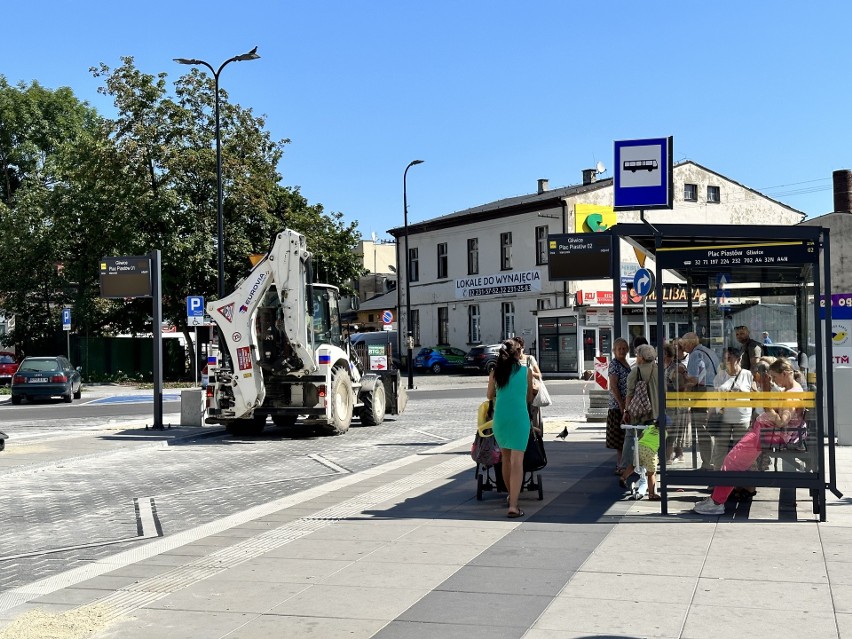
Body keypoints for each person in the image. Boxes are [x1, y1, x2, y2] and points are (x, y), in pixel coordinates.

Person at [693, 358, 804, 515]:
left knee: (732, 461)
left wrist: (768, 408)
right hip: (766, 432)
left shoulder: (790, 395)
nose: (773, 380)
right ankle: (717, 498)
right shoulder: (794, 388)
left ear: (785, 374)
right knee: (733, 460)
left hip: (767, 434)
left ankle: (717, 502)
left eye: (775, 376)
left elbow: (781, 421)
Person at [486, 339, 534, 518]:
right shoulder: (525, 372)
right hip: (519, 419)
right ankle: (513, 505)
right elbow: (529, 397)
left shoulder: (495, 373)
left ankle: (510, 496)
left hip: (500, 419)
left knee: (505, 460)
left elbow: (489, 395)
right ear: (516, 354)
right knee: (517, 462)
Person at [620, 344, 661, 499]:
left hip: (638, 417)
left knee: (633, 443)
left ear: (641, 357)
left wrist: (626, 412)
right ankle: (650, 485)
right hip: (656, 418)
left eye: (637, 355)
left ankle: (626, 472)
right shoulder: (659, 371)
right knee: (651, 450)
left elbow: (629, 395)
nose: (636, 358)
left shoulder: (634, 372)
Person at [709, 347, 754, 472]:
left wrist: (741, 392)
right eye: (725, 358)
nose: (727, 361)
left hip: (742, 417)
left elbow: (754, 394)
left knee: (740, 449)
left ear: (738, 359)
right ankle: (718, 480)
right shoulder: (720, 375)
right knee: (720, 448)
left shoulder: (747, 375)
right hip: (723, 417)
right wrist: (710, 413)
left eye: (730, 358)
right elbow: (715, 395)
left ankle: (738, 481)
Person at [680, 332, 720, 470]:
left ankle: (707, 464)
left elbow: (693, 379)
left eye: (684, 345)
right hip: (714, 392)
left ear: (691, 343)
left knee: (702, 430)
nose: (683, 348)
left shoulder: (695, 354)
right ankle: (714, 461)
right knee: (710, 429)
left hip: (702, 393)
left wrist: (683, 377)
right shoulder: (710, 352)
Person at [605, 337, 632, 474]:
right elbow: (613, 386)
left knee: (626, 437)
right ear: (614, 351)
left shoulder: (626, 363)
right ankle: (620, 465)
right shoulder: (615, 364)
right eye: (619, 349)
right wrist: (622, 406)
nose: (622, 351)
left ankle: (624, 464)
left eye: (624, 348)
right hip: (618, 407)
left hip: (626, 406)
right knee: (620, 439)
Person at [664, 341, 690, 462]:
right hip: (670, 403)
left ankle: (669, 457)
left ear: (667, 354)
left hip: (676, 404)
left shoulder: (677, 368)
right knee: (675, 430)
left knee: (672, 431)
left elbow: (681, 386)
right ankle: (679, 454)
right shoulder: (666, 367)